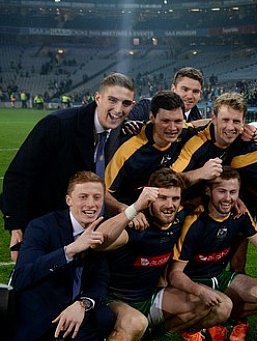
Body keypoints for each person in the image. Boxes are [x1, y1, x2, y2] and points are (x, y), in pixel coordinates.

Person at [88, 169, 224, 341]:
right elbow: (99, 241)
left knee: (212, 304)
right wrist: (132, 210)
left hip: (149, 298)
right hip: (115, 301)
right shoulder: (137, 225)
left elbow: (212, 202)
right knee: (136, 323)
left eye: (174, 198)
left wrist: (236, 204)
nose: (169, 204)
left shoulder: (178, 220)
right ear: (149, 197)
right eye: (162, 198)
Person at [0, 172, 115, 341]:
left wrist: (82, 304)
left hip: (63, 314)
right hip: (29, 324)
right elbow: (21, 277)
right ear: (68, 200)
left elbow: (100, 283)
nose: (91, 204)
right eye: (83, 197)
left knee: (103, 317)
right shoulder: (42, 226)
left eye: (97, 197)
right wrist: (71, 250)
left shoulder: (100, 228)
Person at [1, 73, 135, 261]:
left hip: (83, 224)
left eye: (126, 104)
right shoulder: (58, 125)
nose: (118, 109)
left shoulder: (117, 130)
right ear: (97, 98)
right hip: (46, 222)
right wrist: (16, 228)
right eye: (112, 100)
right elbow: (19, 175)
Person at [170, 167, 257, 341]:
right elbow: (175, 274)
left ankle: (212, 322)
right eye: (221, 191)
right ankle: (191, 330)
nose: (228, 198)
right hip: (192, 281)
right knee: (224, 308)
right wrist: (199, 290)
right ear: (208, 191)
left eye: (233, 192)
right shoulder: (194, 221)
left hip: (219, 275)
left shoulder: (239, 214)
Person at [105, 91, 191, 222]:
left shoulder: (183, 133)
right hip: (129, 215)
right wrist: (126, 210)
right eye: (165, 121)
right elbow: (103, 192)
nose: (173, 128)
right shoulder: (127, 151)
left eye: (178, 121)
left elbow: (201, 125)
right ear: (152, 117)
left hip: (160, 211)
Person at [127, 67, 204, 123]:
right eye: (185, 89)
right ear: (173, 89)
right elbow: (122, 124)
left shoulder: (199, 121)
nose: (190, 96)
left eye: (195, 91)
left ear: (200, 94)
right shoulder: (147, 106)